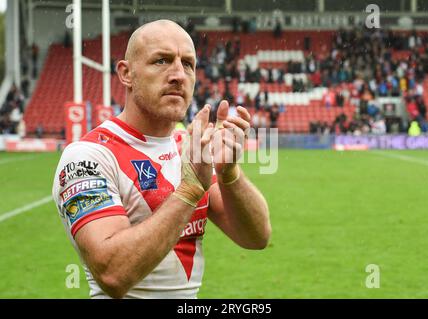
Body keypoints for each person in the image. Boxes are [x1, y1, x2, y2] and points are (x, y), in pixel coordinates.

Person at [52, 20, 271, 299]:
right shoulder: (87, 156)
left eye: (188, 64)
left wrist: (229, 173)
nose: (178, 74)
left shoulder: (187, 146)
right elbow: (113, 274)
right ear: (126, 73)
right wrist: (189, 191)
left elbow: (256, 237)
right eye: (162, 61)